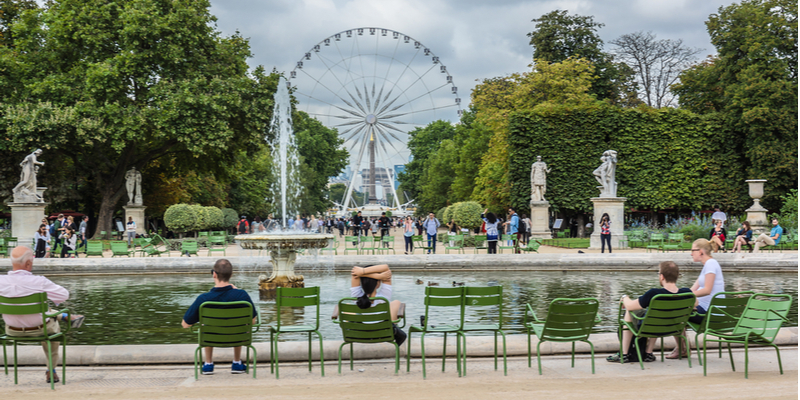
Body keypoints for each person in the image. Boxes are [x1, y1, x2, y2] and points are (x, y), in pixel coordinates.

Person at [0, 246, 85, 384]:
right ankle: (51, 370)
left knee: (43, 311)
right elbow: (64, 295)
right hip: (40, 329)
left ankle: (63, 316)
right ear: (28, 264)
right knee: (50, 324)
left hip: (11, 330)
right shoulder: (39, 281)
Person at [607, 261, 694, 364]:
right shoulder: (687, 293)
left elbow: (630, 306)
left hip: (650, 328)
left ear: (662, 277)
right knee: (657, 315)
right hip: (673, 329)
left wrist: (624, 298)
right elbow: (695, 303)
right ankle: (648, 353)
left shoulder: (654, 293)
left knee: (630, 311)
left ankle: (624, 354)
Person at [181, 259, 257, 375]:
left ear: (214, 274)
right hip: (236, 336)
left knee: (206, 326)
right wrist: (236, 291)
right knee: (239, 324)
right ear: (231, 275)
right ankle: (236, 363)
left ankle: (208, 364)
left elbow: (185, 325)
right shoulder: (242, 295)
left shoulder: (204, 299)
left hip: (211, 337)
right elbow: (252, 321)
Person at [668, 238, 725, 359]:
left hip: (711, 313)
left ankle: (682, 349)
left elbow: (707, 290)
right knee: (676, 308)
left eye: (692, 250)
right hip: (707, 310)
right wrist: (677, 296)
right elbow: (692, 290)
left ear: (700, 252)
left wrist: (683, 296)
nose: (690, 253)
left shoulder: (710, 264)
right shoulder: (707, 266)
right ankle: (682, 348)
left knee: (675, 313)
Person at [350, 264, 405, 345]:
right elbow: (386, 267)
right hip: (384, 334)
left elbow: (355, 272)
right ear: (378, 283)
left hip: (361, 334)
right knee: (397, 303)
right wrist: (378, 276)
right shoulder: (384, 297)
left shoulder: (356, 296)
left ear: (361, 283)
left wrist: (362, 273)